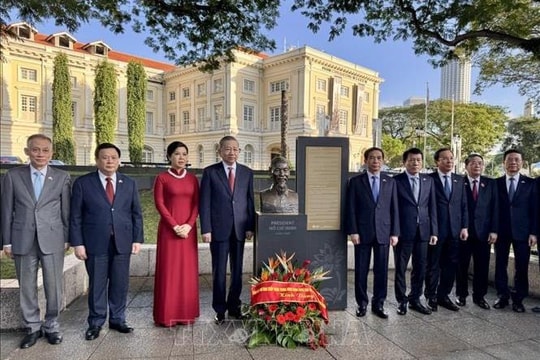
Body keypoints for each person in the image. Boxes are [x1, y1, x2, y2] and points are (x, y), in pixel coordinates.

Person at [1, 134, 71, 349]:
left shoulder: (61, 176)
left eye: (45, 150)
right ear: (27, 152)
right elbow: (5, 210)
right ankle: (32, 327)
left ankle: (51, 325)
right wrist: (6, 242)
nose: (40, 154)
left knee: (54, 286)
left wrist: (68, 238)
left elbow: (66, 210)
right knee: (27, 286)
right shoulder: (13, 176)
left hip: (53, 238)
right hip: (22, 239)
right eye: (35, 150)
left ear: (52, 153)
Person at [70, 143, 144, 340]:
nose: (109, 161)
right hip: (95, 242)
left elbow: (136, 213)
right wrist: (78, 243)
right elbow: (75, 216)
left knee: (120, 283)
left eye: (113, 157)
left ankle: (118, 319)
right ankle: (95, 322)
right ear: (96, 160)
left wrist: (137, 238)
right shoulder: (83, 183)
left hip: (123, 241)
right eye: (105, 157)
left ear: (119, 161)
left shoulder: (128, 183)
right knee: (97, 284)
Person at [199, 136, 255, 324]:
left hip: (240, 230)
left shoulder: (247, 172)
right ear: (220, 151)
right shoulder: (210, 173)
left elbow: (249, 201)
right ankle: (220, 309)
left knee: (238, 271)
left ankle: (234, 306)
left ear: (239, 151)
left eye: (235, 149)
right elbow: (204, 203)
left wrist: (250, 226)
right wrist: (206, 229)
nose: (231, 152)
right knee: (219, 272)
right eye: (227, 149)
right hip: (218, 230)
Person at [345, 147, 400, 319]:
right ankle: (361, 304)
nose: (375, 161)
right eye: (371, 158)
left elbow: (394, 209)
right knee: (361, 270)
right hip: (362, 232)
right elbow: (351, 209)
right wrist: (353, 231)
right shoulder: (355, 182)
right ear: (365, 160)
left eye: (378, 158)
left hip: (384, 232)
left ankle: (379, 304)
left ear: (383, 161)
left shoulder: (390, 182)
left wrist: (395, 233)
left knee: (381, 270)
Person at [153, 141, 200, 326]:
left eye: (184, 154)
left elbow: (197, 204)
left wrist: (188, 225)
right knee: (169, 272)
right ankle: (166, 315)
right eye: (177, 154)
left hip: (188, 232)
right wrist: (174, 226)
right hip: (169, 231)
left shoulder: (192, 179)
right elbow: (159, 204)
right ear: (169, 157)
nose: (181, 157)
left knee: (187, 272)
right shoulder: (162, 178)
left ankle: (186, 314)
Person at [393, 148, 437, 316]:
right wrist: (394, 232)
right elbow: (393, 209)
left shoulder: (428, 181)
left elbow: (432, 207)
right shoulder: (396, 181)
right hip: (403, 232)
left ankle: (415, 299)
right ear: (405, 162)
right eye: (412, 160)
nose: (415, 163)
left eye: (418, 160)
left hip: (423, 232)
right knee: (401, 268)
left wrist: (434, 231)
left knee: (420, 268)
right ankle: (401, 301)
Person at [494, 149, 538, 312]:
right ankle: (502, 296)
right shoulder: (496, 183)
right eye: (510, 160)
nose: (513, 162)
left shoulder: (531, 183)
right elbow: (493, 209)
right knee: (500, 265)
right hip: (501, 231)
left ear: (522, 163)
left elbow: (535, 209)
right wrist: (493, 230)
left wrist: (534, 232)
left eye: (516, 160)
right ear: (503, 163)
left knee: (522, 266)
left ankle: (519, 299)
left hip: (524, 232)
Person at [425, 148, 468, 312]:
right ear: (437, 161)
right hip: (436, 231)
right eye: (445, 159)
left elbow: (463, 206)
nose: (449, 161)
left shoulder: (459, 180)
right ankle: (431, 295)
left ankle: (444, 295)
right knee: (433, 265)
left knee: (451, 265)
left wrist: (464, 227)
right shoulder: (429, 180)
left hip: (455, 231)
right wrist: (432, 230)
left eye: (451, 158)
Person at [455, 154, 498, 310]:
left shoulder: (490, 183)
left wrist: (494, 230)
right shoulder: (459, 182)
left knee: (482, 266)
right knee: (462, 266)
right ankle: (461, 295)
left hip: (484, 233)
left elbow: (495, 208)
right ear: (466, 166)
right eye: (473, 163)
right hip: (463, 232)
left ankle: (479, 296)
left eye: (480, 163)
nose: (477, 166)